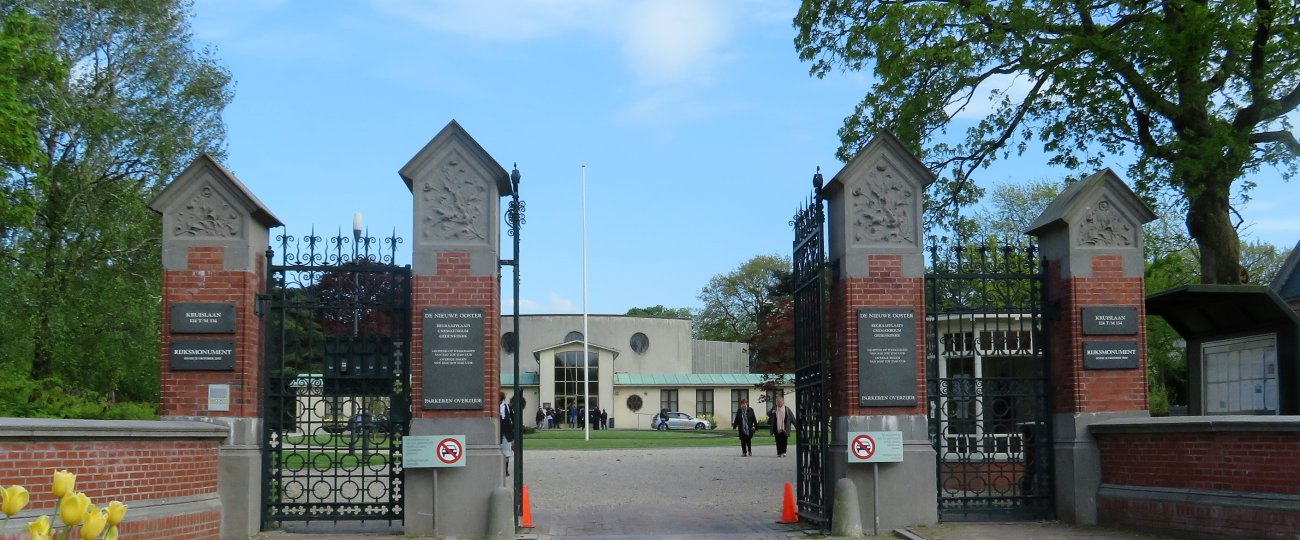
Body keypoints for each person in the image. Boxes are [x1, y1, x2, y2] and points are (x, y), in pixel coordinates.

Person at [499, 391, 515, 476]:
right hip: (498, 433)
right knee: (499, 451)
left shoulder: (508, 407)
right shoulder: (494, 407)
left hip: (506, 433)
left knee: (507, 452)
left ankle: (505, 470)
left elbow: (513, 419)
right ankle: (499, 469)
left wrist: (512, 434)